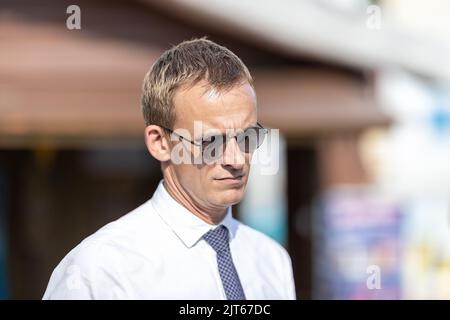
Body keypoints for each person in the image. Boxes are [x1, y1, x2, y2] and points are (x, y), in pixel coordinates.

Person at [43, 38, 296, 300]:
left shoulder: (271, 260)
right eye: (211, 141)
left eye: (247, 137)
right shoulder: (102, 269)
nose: (235, 159)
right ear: (160, 143)